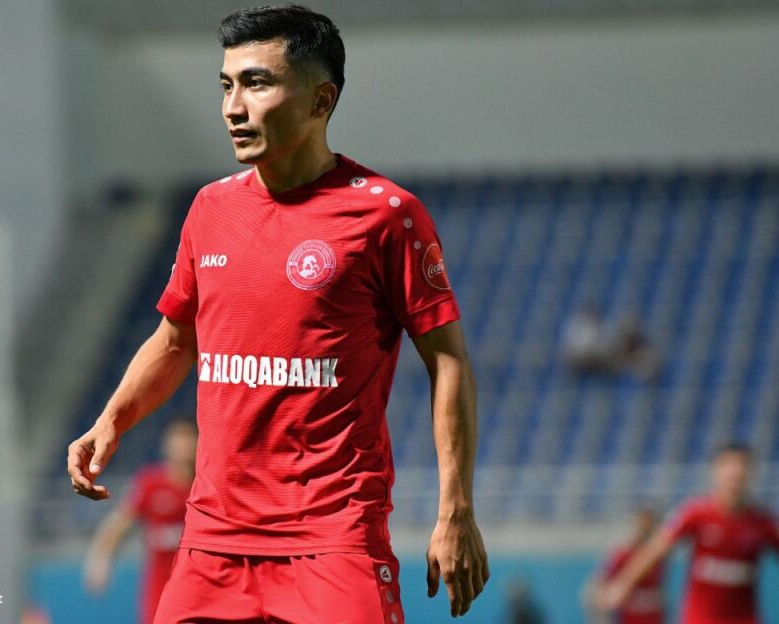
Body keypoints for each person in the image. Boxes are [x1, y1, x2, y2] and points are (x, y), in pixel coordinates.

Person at [66, 5, 489, 623]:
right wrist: (113, 418)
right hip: (212, 545)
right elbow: (175, 341)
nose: (233, 107)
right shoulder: (210, 209)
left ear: (321, 101)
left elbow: (448, 361)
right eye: (226, 85)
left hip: (333, 543)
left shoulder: (386, 216)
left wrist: (456, 511)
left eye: (257, 83)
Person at [598, 443, 779, 624]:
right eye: (728, 468)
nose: (735, 475)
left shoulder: (764, 522)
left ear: (750, 474)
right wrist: (622, 585)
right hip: (700, 619)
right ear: (715, 472)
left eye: (741, 468)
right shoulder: (694, 513)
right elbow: (655, 551)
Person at [82, 420, 196, 624]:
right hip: (160, 588)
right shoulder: (150, 484)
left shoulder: (207, 484)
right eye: (178, 438)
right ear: (167, 445)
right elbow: (120, 523)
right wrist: (101, 560)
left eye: (189, 438)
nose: (183, 446)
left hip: (200, 586)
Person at [586, 506, 665, 624]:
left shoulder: (658, 555)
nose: (645, 531)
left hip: (653, 616)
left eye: (649, 527)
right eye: (642, 527)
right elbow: (602, 584)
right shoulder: (622, 554)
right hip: (630, 616)